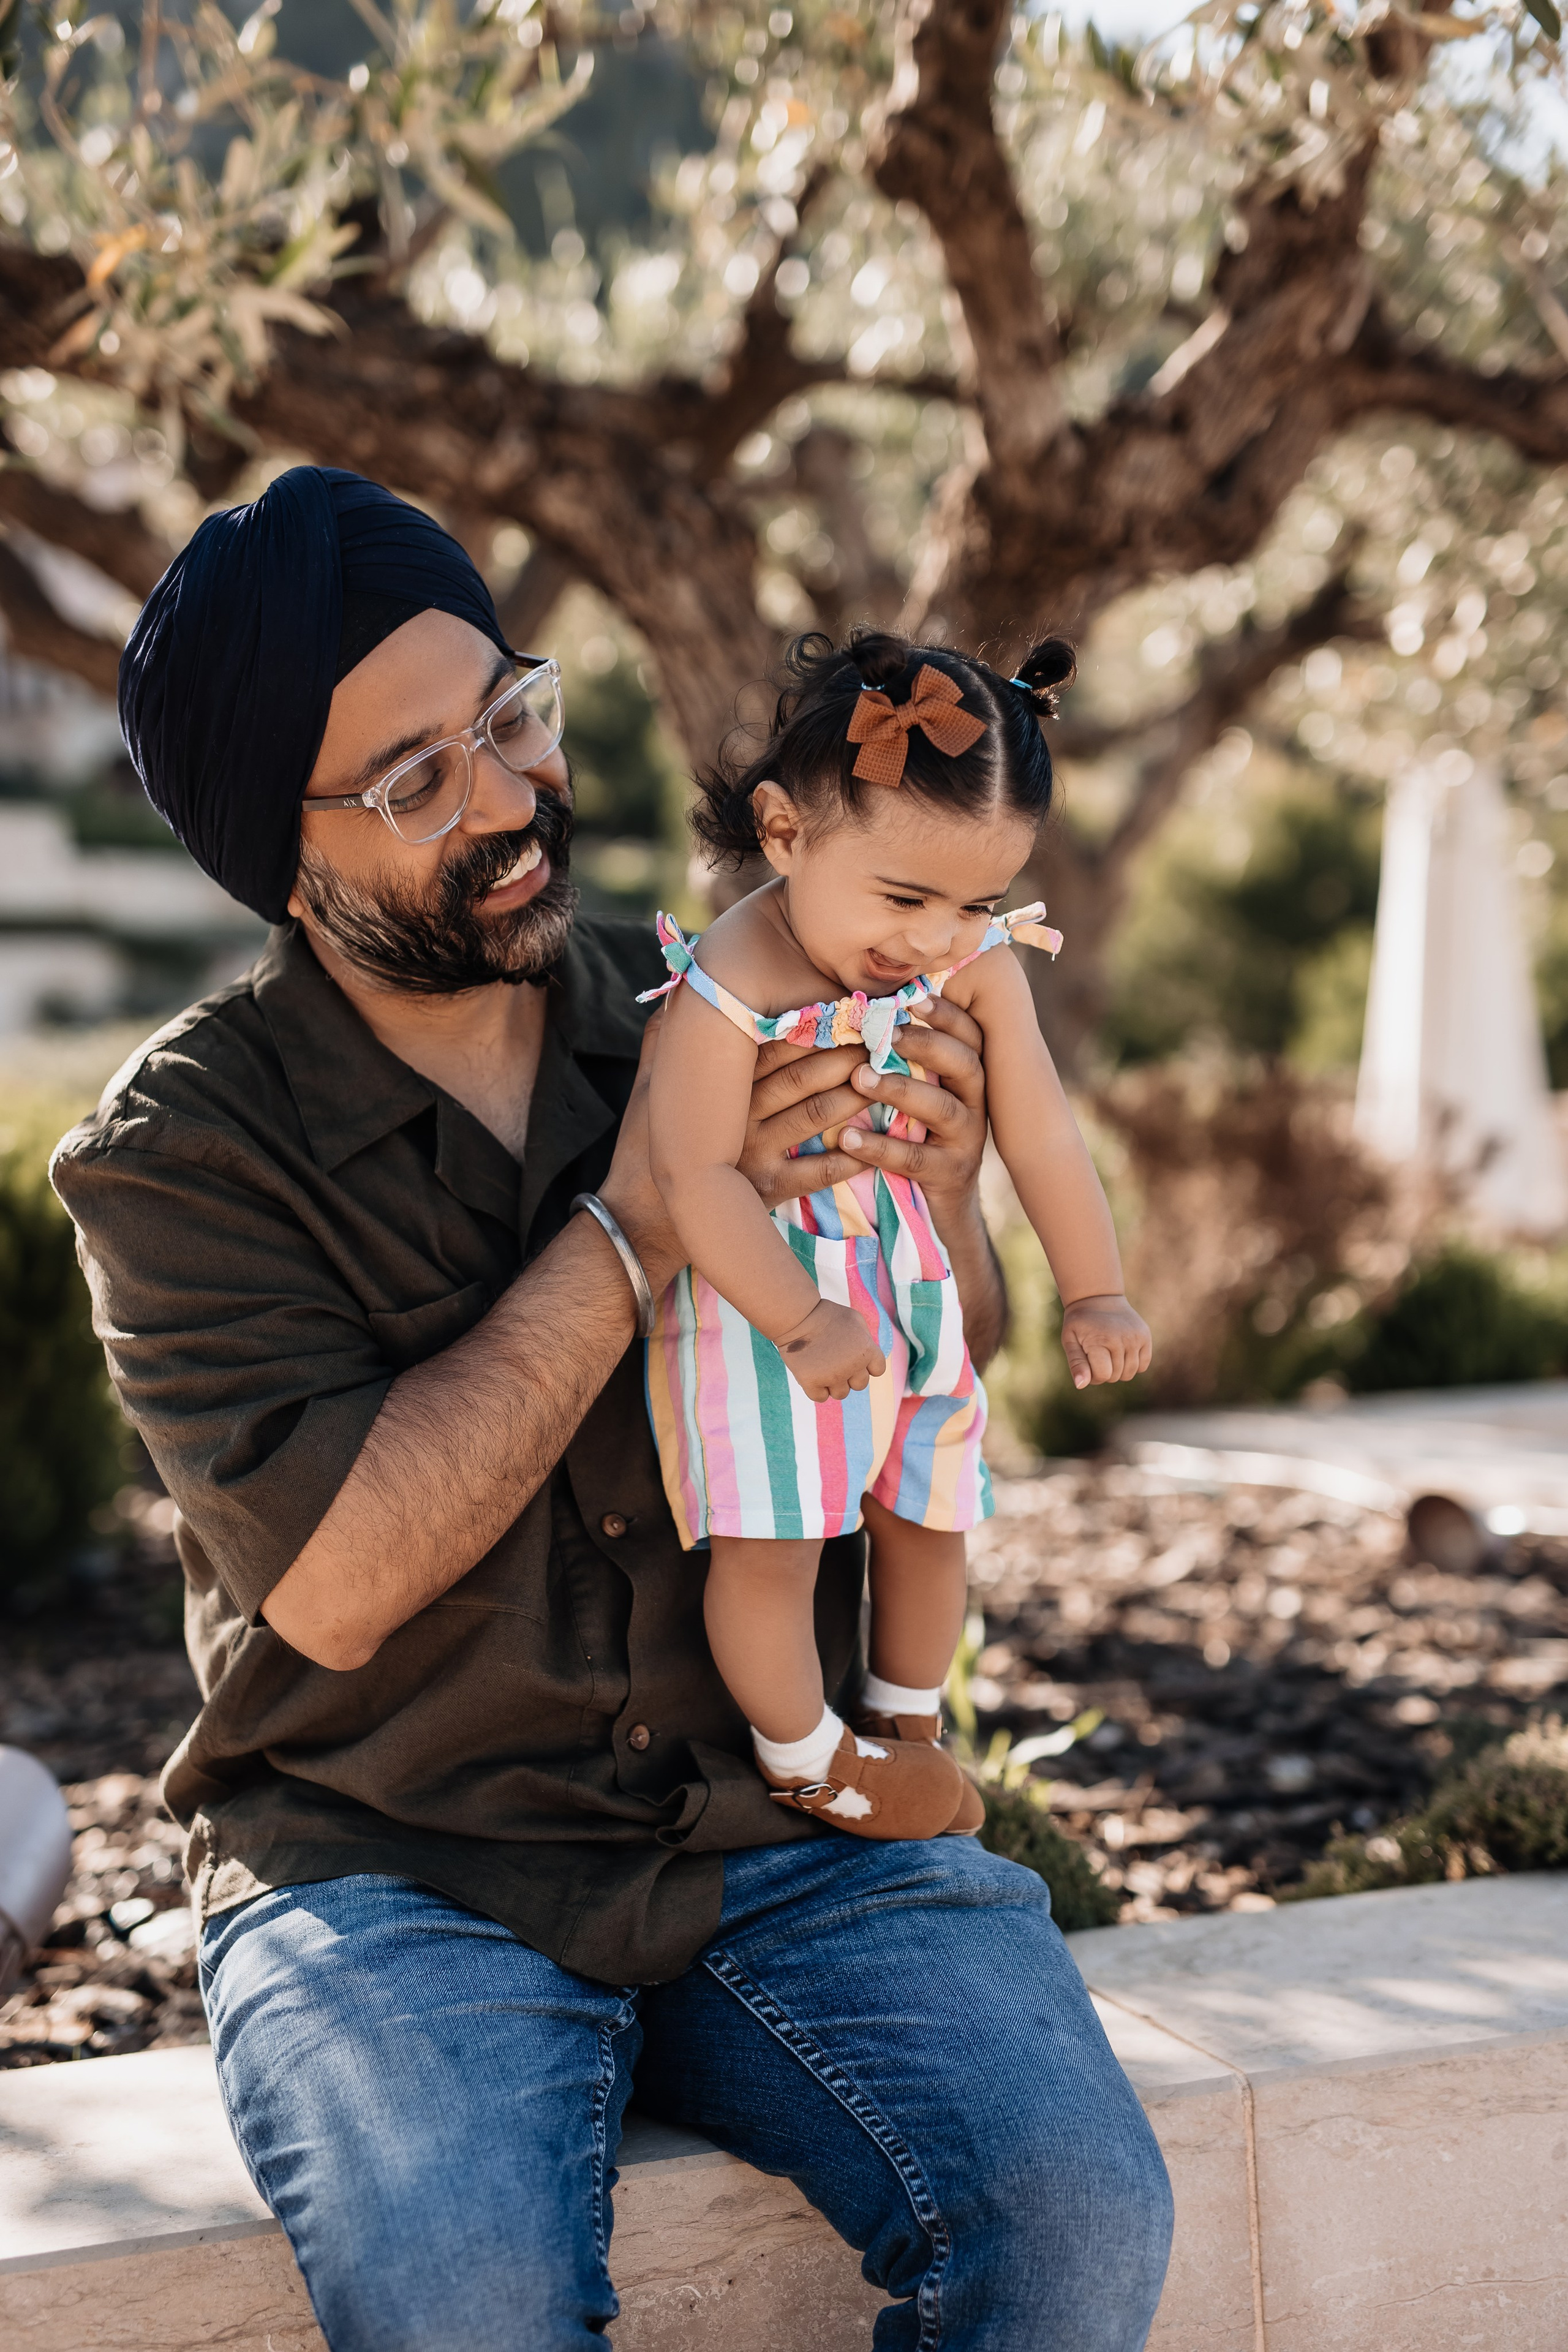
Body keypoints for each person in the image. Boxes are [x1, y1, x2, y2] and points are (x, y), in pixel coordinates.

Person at [51, 465, 1173, 2352]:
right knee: (468, 2300)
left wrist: (949, 1210)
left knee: (1075, 2209)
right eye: (416, 781)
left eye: (511, 717)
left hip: (784, 1812)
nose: (507, 797)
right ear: (279, 854)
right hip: (396, 1865)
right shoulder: (179, 1158)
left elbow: (939, 1349)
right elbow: (336, 1587)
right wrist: (643, 1224)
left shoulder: (729, 988)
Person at [641, 631, 1152, 1838]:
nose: (934, 939)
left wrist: (1094, 1289)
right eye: (905, 898)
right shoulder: (731, 977)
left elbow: (1040, 1134)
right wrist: (794, 1317)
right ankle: (811, 1759)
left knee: (931, 1511)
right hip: (768, 1294)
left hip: (912, 1275)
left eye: (976, 902)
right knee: (770, 1544)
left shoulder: (974, 964)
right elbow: (689, 1174)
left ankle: (906, 1727)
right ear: (784, 832)